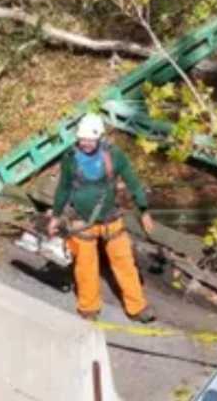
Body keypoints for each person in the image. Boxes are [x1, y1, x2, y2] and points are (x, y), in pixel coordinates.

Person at [45, 112, 157, 323]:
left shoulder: (114, 156)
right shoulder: (70, 159)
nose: (85, 143)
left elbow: (133, 182)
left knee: (124, 262)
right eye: (82, 139)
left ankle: (137, 307)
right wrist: (56, 216)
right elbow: (63, 189)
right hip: (81, 221)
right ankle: (89, 308)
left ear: (100, 138)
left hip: (110, 218)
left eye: (90, 139)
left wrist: (144, 211)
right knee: (86, 266)